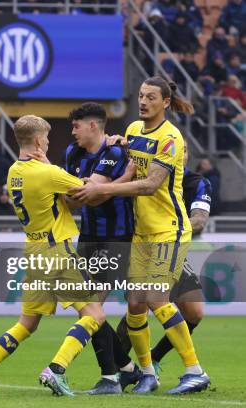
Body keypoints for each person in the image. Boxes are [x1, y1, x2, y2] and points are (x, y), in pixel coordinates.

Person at [69, 76, 210, 394]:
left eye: (150, 97)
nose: (143, 101)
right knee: (135, 304)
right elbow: (129, 164)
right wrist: (116, 146)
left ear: (165, 102)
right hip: (141, 233)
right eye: (141, 96)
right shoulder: (133, 130)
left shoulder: (171, 138)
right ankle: (147, 373)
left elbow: (149, 185)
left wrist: (104, 188)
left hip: (168, 230)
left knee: (157, 299)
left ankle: (195, 370)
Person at [0, 115, 105, 397]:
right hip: (57, 250)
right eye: (47, 139)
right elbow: (88, 189)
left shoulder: (13, 171)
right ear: (39, 141)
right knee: (94, 314)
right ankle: (57, 368)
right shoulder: (47, 173)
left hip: (34, 253)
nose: (48, 143)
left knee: (26, 324)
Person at [62, 102, 139, 394]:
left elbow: (92, 196)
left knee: (92, 306)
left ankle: (110, 378)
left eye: (76, 126)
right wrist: (122, 179)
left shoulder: (115, 152)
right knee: (90, 309)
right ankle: (126, 369)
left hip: (116, 238)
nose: (72, 132)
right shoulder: (73, 153)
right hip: (88, 236)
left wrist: (85, 192)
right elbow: (73, 198)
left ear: (93, 125)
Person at [117, 142, 211, 374]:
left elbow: (199, 220)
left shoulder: (197, 182)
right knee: (139, 303)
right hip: (141, 245)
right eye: (181, 149)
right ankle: (115, 368)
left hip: (170, 244)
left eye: (187, 150)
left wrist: (171, 230)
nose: (183, 154)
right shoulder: (146, 177)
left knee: (195, 312)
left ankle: (154, 360)